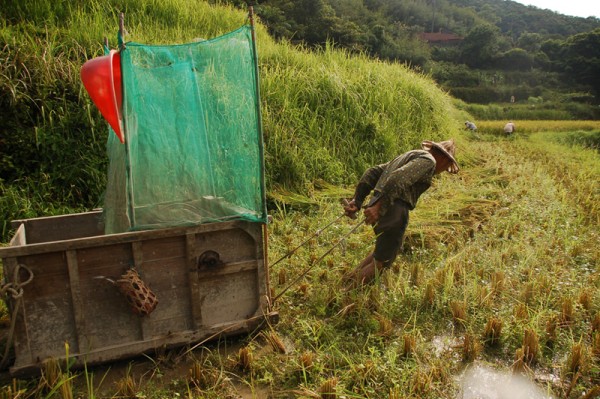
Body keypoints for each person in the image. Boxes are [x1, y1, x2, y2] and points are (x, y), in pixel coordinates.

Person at [342, 139, 459, 286]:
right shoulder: (429, 161)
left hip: (383, 205)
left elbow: (373, 172)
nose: (442, 170)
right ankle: (345, 295)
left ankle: (348, 280)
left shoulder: (410, 155)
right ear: (444, 158)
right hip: (393, 209)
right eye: (447, 166)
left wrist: (358, 201)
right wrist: (380, 207)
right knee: (383, 261)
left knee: (383, 252)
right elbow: (398, 179)